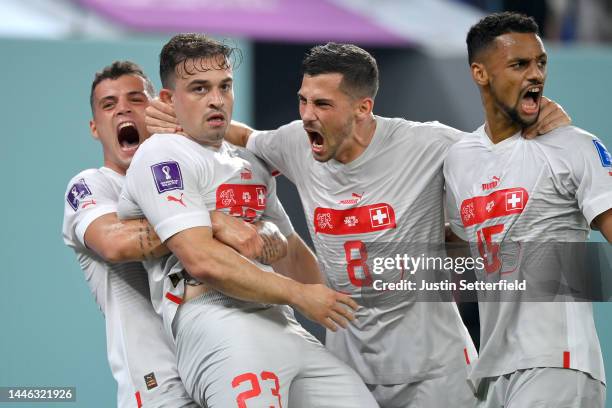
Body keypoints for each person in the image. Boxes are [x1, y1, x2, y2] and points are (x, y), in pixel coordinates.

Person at [146, 41, 572, 407]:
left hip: (434, 367)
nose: (307, 115)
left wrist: (541, 127)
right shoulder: (295, 141)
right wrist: (178, 119)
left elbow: (506, 157)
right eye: (303, 100)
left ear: (364, 108)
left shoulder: (428, 144)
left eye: (323, 104)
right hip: (352, 361)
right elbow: (243, 135)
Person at [117, 34, 378, 408]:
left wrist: (349, 312)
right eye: (199, 89)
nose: (216, 99)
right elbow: (202, 259)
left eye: (225, 86)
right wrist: (299, 294)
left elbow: (290, 252)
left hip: (280, 318)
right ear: (169, 101)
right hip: (217, 321)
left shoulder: (248, 161)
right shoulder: (163, 154)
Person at [443, 12, 612, 407]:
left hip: (558, 362)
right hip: (493, 370)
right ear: (480, 74)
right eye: (519, 65)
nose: (536, 74)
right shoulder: (459, 158)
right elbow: (457, 245)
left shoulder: (574, 146)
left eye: (541, 63)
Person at [62, 61, 199, 407]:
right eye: (109, 104)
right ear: (95, 128)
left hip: (221, 364)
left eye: (136, 99)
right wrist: (204, 224)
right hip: (159, 385)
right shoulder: (91, 185)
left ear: (158, 109)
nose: (123, 107)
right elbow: (114, 241)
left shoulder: (192, 176)